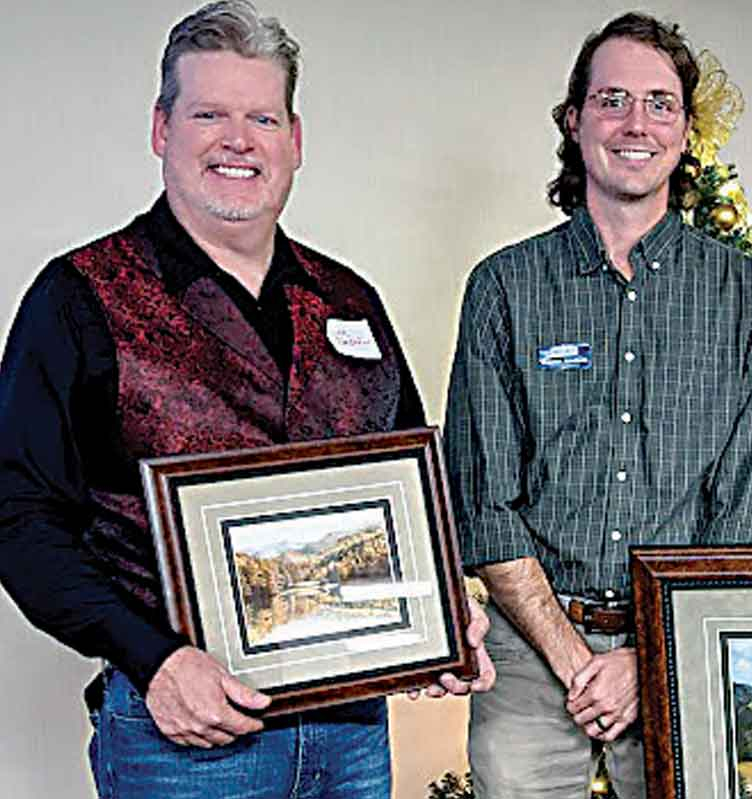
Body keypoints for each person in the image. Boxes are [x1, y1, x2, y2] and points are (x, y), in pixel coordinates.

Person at [0, 2, 491, 797]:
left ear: (295, 141)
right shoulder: (78, 298)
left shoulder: (350, 300)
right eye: (209, 114)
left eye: (262, 116)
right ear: (162, 128)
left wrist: (442, 615)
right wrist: (152, 659)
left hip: (353, 737)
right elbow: (17, 515)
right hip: (183, 741)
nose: (238, 140)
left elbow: (409, 493)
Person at [444, 11, 752, 798]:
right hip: (532, 656)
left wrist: (651, 655)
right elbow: (485, 501)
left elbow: (750, 509)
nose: (637, 124)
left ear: (687, 129)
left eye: (661, 103)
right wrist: (575, 660)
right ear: (575, 120)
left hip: (682, 648)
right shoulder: (504, 288)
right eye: (613, 100)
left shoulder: (746, 299)